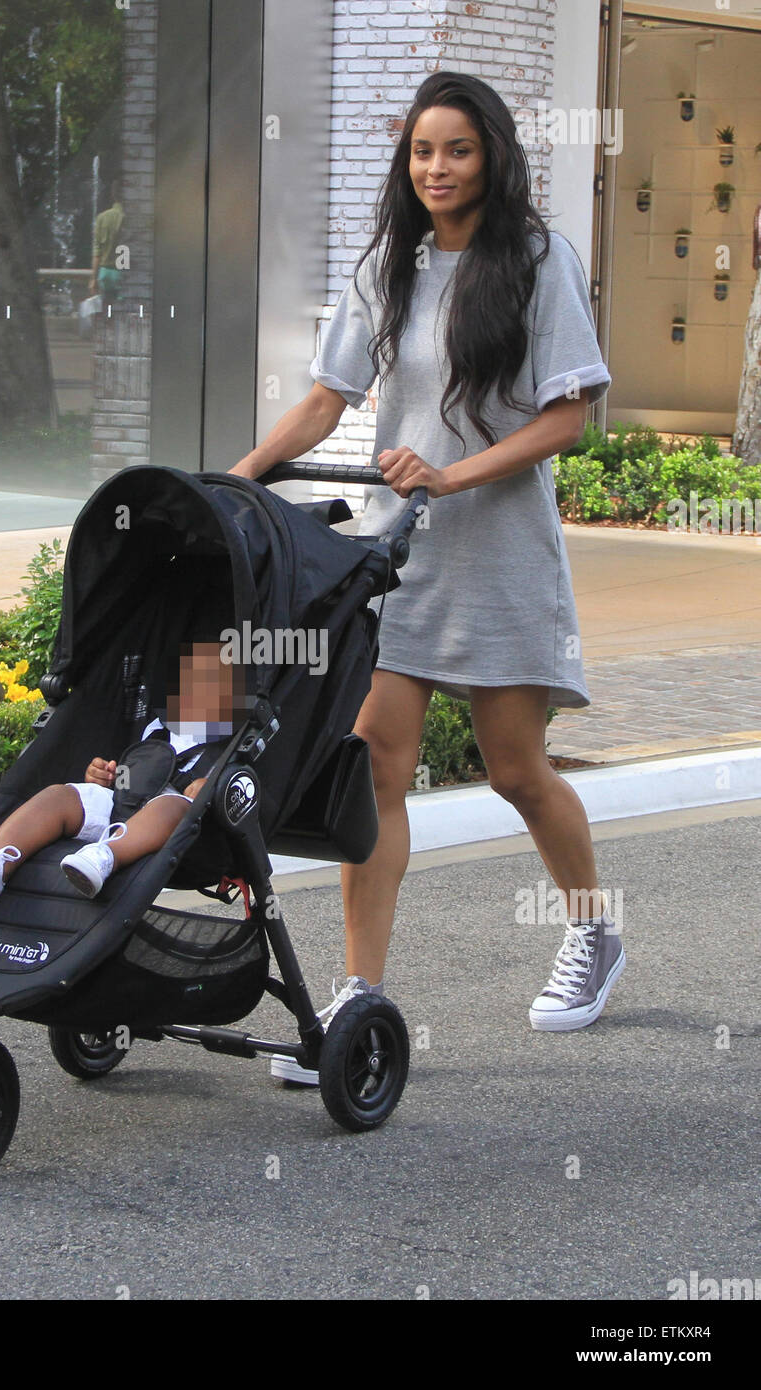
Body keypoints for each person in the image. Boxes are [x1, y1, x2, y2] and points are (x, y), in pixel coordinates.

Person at [230, 71, 622, 1083]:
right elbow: (328, 400)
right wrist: (241, 475)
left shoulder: (539, 260)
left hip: (499, 558)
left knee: (517, 771)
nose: (437, 169)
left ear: (491, 153)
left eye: (457, 149)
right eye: (421, 152)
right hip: (397, 555)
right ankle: (358, 999)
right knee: (375, 771)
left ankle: (592, 931)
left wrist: (452, 472)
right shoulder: (389, 268)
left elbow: (566, 419)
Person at [0, 641, 241, 910]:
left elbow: (235, 790)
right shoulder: (156, 729)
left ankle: (104, 857)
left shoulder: (226, 746)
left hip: (178, 830)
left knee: (172, 806)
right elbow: (134, 770)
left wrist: (209, 788)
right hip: (123, 805)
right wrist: (106, 776)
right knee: (61, 794)